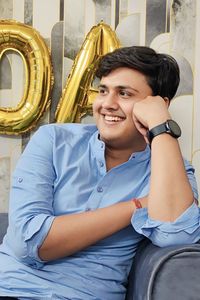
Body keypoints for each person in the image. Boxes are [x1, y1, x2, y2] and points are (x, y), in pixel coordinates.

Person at [0, 46, 199, 300]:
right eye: (103, 91)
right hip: (9, 290)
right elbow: (27, 243)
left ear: (159, 103)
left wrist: (161, 127)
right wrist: (138, 206)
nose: (106, 104)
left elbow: (178, 235)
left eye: (124, 93)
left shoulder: (171, 169)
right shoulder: (52, 140)